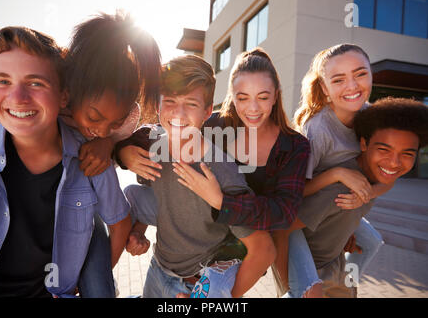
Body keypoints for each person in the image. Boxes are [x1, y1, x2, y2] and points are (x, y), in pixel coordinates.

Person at [0, 12, 162, 297]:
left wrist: (110, 145)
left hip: (82, 204)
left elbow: (116, 134)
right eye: (94, 117)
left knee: (97, 274)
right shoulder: (55, 74)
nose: (100, 130)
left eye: (110, 124)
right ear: (69, 91)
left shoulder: (117, 123)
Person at [138, 48, 311, 296]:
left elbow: (283, 214)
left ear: (276, 96)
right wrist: (123, 150)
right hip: (206, 242)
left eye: (262, 97)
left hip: (272, 232)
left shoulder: (294, 146)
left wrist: (221, 201)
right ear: (231, 97)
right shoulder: (214, 124)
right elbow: (163, 130)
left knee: (309, 291)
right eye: (242, 97)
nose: (252, 108)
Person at [116, 54, 276, 298]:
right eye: (169, 101)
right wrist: (138, 231)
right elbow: (157, 199)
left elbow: (264, 251)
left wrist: (217, 299)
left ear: (207, 111)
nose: (178, 113)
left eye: (191, 103)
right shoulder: (152, 148)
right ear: (158, 105)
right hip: (157, 270)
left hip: (193, 286)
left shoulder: (222, 172)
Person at [275, 44, 387, 298]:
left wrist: (365, 195)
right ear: (324, 88)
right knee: (305, 289)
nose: (352, 86)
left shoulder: (372, 118)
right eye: (338, 80)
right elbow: (295, 192)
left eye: (360, 74)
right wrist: (337, 173)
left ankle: (338, 282)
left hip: (337, 209)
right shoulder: (318, 129)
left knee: (371, 242)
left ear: (371, 74)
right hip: (299, 216)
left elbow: (388, 177)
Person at [297, 97, 428, 297]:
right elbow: (287, 224)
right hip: (317, 267)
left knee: (371, 243)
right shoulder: (341, 186)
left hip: (337, 263)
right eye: (385, 150)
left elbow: (387, 183)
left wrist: (366, 194)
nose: (394, 163)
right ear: (364, 144)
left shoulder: (376, 176)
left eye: (407, 154)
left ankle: (351, 282)